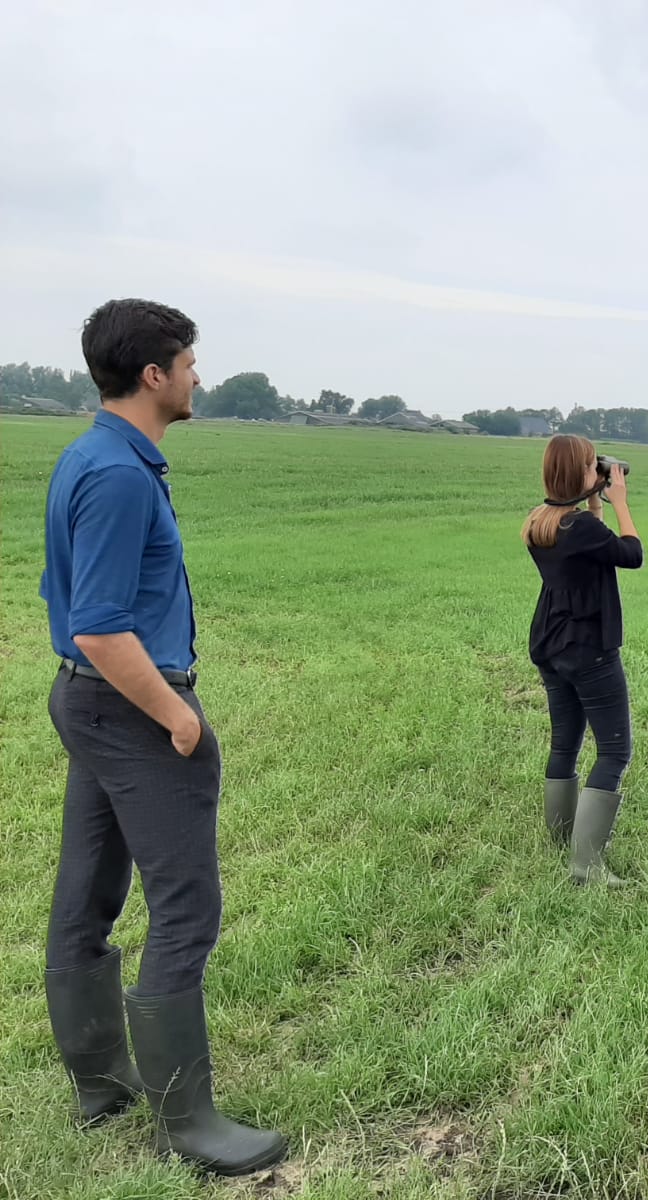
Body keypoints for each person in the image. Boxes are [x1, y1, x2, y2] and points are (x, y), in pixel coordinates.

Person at [38, 299, 287, 1174]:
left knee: (90, 889)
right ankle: (190, 1124)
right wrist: (178, 716)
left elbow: (61, 600)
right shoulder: (117, 476)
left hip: (92, 702)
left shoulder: (93, 455)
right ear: (154, 374)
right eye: (188, 361)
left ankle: (101, 1082)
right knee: (186, 905)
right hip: (130, 704)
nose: (195, 375)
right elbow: (102, 626)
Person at [524, 434, 643, 887]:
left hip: (551, 646)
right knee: (614, 751)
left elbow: (587, 549)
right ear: (582, 473)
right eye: (595, 465)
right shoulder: (585, 532)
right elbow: (631, 554)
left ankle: (561, 836)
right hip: (589, 648)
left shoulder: (542, 522)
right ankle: (586, 865)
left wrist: (592, 504)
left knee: (565, 744)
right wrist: (620, 503)